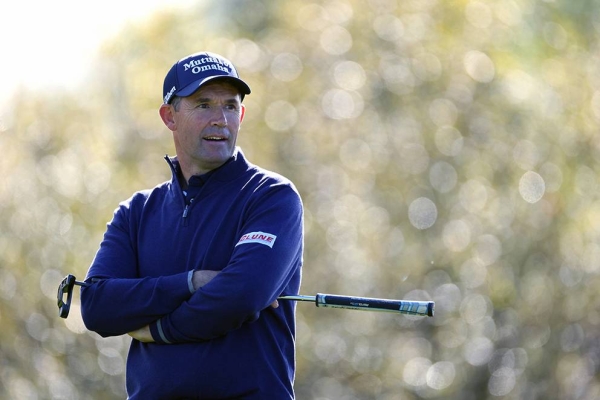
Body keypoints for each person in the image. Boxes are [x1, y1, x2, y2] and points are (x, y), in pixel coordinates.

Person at [80, 51, 304, 399]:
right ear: (169, 116)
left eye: (230, 106)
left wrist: (158, 330)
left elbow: (241, 296)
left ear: (241, 114)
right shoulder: (136, 212)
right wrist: (190, 282)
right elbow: (97, 306)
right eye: (203, 105)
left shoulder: (271, 197)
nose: (220, 120)